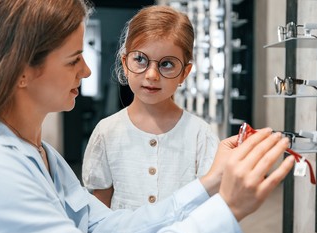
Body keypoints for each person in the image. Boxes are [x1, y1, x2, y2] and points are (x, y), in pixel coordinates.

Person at [0, 0, 294, 233]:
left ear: (186, 71)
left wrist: (210, 183)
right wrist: (228, 210)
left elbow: (105, 228)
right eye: (74, 59)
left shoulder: (43, 155)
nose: (88, 70)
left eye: (167, 64)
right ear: (21, 69)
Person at [82, 6, 219, 210]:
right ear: (125, 63)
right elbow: (99, 208)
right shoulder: (107, 132)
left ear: (185, 72)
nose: (152, 75)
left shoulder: (200, 135)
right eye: (140, 59)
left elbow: (206, 206)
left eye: (167, 64)